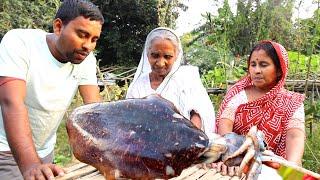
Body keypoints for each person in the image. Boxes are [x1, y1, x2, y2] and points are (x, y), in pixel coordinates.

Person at [0, 0, 104, 179]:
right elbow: (12, 102)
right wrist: (31, 165)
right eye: (82, 35)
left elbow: (94, 110)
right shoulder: (20, 42)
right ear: (58, 26)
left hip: (45, 152)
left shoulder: (86, 59)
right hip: (6, 150)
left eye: (94, 39)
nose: (88, 46)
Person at [215, 40, 305, 178]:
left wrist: (292, 167)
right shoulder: (238, 93)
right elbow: (225, 124)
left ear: (280, 70)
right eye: (253, 65)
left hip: (271, 165)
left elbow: (295, 136)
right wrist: (229, 156)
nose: (256, 70)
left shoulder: (292, 102)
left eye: (263, 65)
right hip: (235, 159)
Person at [126, 27, 216, 139]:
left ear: (176, 55)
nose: (160, 63)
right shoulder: (138, 86)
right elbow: (130, 120)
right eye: (155, 55)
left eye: (167, 57)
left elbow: (199, 115)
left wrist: (189, 139)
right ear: (147, 54)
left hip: (183, 142)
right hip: (146, 144)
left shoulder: (187, 79)